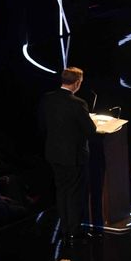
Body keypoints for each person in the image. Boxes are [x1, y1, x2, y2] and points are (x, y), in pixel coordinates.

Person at [38, 67, 96, 246]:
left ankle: (65, 229)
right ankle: (74, 231)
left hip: (54, 154)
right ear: (77, 83)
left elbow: (43, 125)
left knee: (61, 191)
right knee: (74, 194)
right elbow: (90, 130)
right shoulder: (78, 103)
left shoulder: (47, 98)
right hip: (73, 155)